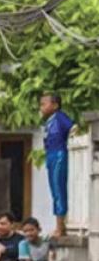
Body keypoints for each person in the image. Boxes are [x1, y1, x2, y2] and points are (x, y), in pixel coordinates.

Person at [41, 93, 74, 237]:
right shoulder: (49, 121)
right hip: (50, 154)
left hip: (59, 153)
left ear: (54, 105)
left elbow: (73, 128)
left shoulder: (60, 117)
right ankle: (59, 224)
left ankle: (61, 227)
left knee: (59, 188)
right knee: (54, 190)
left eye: (44, 104)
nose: (41, 107)